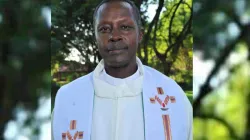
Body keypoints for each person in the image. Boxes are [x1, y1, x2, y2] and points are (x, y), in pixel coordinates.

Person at [52, 0, 192, 140]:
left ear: (140, 35)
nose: (115, 36)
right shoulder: (67, 98)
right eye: (105, 29)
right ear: (96, 37)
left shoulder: (173, 94)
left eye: (125, 27)